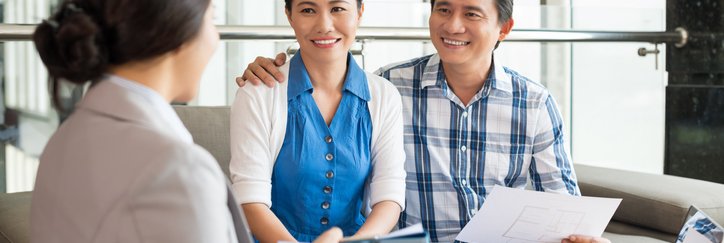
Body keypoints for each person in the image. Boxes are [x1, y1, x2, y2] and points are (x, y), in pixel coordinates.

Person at [237, 0, 611, 242]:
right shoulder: (392, 86)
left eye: (472, 14)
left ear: (504, 28)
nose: (453, 26)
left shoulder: (534, 103)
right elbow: (324, 61)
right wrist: (267, 66)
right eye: (444, 10)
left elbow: (566, 208)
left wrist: (584, 235)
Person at [29, 1, 252, 242]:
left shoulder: (63, 138)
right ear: (175, 30)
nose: (216, 38)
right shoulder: (176, 170)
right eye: (212, 19)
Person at [229, 0, 406, 242]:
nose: (324, 25)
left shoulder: (385, 96)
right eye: (308, 10)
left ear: (360, 12)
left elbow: (389, 195)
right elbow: (250, 200)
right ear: (289, 16)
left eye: (337, 8)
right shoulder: (258, 93)